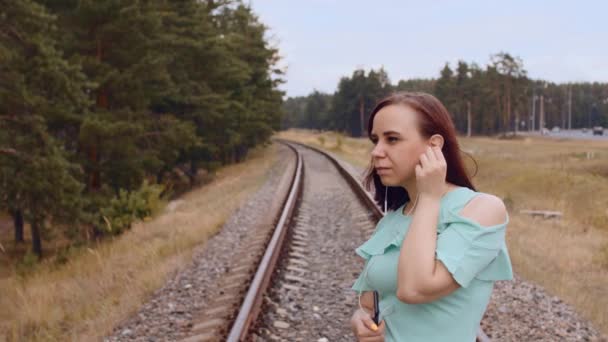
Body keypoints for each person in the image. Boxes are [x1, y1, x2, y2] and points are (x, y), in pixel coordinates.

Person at [350, 92, 513, 341]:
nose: (377, 152)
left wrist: (429, 197)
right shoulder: (393, 219)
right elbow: (371, 302)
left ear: (434, 145)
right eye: (375, 140)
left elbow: (414, 288)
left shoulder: (482, 210)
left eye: (392, 139)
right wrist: (360, 318)